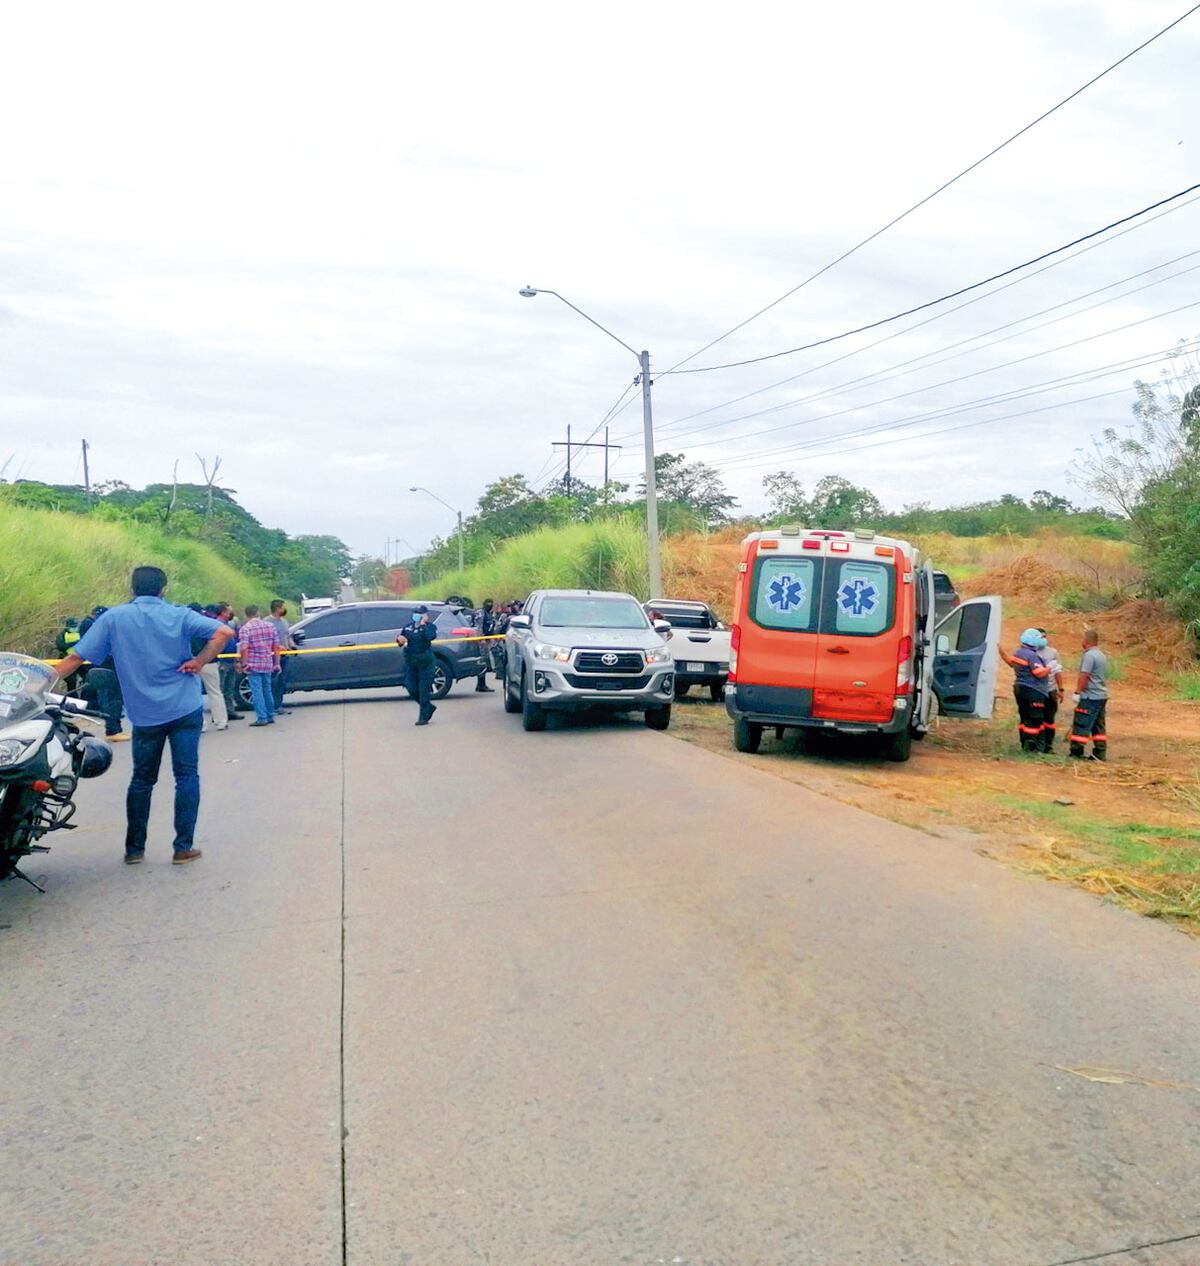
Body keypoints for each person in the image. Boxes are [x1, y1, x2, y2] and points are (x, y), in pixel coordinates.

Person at [52, 565, 234, 865]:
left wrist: (36, 685)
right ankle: (182, 847)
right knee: (186, 776)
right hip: (184, 707)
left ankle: (135, 850)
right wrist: (200, 661)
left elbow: (75, 657)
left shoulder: (114, 618)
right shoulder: (179, 615)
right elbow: (224, 632)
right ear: (163, 588)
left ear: (132, 588)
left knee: (141, 780)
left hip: (145, 714)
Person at [998, 628, 1053, 752]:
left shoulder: (1019, 653)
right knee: (1035, 719)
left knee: (1024, 717)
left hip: (1020, 689)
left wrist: (1000, 651)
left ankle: (1025, 743)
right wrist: (1049, 668)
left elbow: (1010, 662)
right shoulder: (1032, 656)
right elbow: (1038, 673)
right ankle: (1031, 747)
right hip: (1034, 691)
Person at [238, 605, 283, 726]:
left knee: (256, 691)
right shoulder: (270, 626)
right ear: (258, 613)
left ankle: (262, 717)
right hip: (267, 662)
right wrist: (277, 663)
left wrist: (244, 663)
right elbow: (276, 646)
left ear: (246, 615)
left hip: (253, 664)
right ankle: (270, 715)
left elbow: (244, 647)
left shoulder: (245, 629)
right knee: (267, 690)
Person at [1070, 629, 1109, 762]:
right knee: (1098, 725)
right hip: (1101, 696)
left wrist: (1078, 692)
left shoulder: (1089, 656)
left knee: (1081, 724)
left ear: (1086, 641)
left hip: (1090, 696)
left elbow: (1084, 675)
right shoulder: (1101, 655)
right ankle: (1100, 752)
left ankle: (1076, 751)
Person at [397, 605, 438, 725]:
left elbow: (431, 636)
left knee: (423, 689)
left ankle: (423, 717)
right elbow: (402, 640)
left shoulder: (430, 627)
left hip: (426, 662)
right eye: (415, 613)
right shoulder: (408, 627)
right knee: (411, 687)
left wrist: (424, 623)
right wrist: (399, 640)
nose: (417, 615)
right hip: (411, 662)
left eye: (420, 613)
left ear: (425, 614)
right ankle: (428, 707)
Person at [190, 604, 228, 732]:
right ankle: (221, 721)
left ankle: (201, 724)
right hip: (210, 662)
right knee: (215, 692)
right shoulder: (207, 624)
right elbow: (220, 642)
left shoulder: (186, 626)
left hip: (193, 661)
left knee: (195, 694)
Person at [212, 604, 246, 720]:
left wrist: (236, 660)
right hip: (222, 660)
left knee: (229, 688)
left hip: (230, 659)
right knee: (219, 689)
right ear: (223, 612)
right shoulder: (216, 625)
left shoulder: (228, 625)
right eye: (229, 611)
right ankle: (218, 714)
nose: (231, 614)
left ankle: (230, 712)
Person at [1037, 628, 1065, 754]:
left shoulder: (1053, 652)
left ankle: (1048, 746)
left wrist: (1061, 689)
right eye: (1040, 637)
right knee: (1037, 718)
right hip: (1036, 690)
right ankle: (1038, 744)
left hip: (1050, 690)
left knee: (1049, 719)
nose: (1043, 639)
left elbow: (1058, 672)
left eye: (1045, 636)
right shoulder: (1031, 652)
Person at [267, 600, 295, 714]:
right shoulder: (267, 622)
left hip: (285, 656)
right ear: (277, 608)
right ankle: (271, 706)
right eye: (283, 607)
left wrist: (291, 646)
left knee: (282, 681)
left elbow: (287, 636)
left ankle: (279, 705)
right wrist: (278, 647)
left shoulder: (284, 622)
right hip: (272, 656)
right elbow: (266, 640)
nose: (285, 609)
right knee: (273, 681)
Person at [473, 598, 496, 693]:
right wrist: (481, 638)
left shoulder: (489, 613)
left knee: (485, 662)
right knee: (482, 662)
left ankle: (481, 684)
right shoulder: (481, 612)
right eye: (488, 603)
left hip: (487, 641)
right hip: (481, 642)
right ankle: (481, 685)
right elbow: (478, 626)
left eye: (491, 603)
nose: (490, 605)